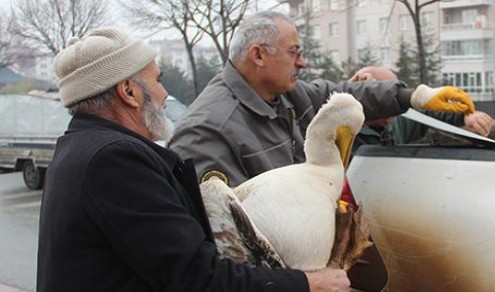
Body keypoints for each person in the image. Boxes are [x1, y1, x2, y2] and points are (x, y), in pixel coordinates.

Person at [36, 27, 350, 292]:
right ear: (128, 91)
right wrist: (305, 287)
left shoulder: (83, 149)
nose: (164, 95)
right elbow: (198, 283)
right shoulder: (114, 161)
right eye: (158, 81)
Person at [169, 11, 478, 187]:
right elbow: (233, 237)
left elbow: (348, 95)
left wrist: (416, 96)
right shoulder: (208, 131)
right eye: (294, 53)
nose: (301, 63)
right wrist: (305, 286)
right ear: (258, 55)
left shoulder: (289, 96)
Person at [348, 66, 493, 152]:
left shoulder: (400, 119)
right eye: (386, 107)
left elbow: (431, 112)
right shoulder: (337, 126)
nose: (391, 118)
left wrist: (466, 115)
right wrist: (351, 91)